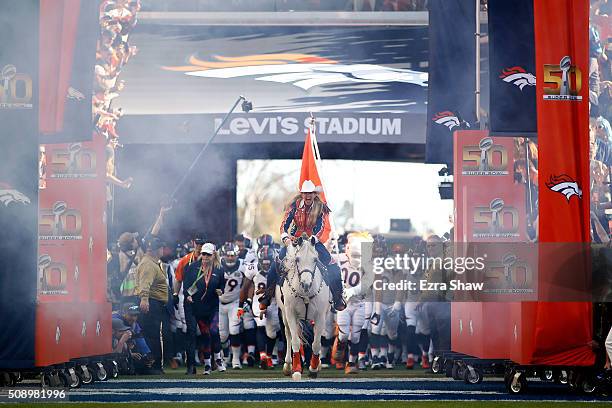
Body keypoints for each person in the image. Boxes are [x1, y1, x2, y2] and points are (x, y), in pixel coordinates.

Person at [259, 179, 346, 311]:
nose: (308, 196)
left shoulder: (320, 207)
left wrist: (313, 239)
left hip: (313, 242)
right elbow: (284, 225)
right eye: (305, 193)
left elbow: (321, 227)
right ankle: (267, 296)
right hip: (294, 241)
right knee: (275, 264)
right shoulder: (293, 206)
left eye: (310, 193)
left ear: (314, 194)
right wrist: (286, 239)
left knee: (333, 266)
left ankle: (337, 298)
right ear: (302, 194)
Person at [182, 243, 226, 375]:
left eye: (208, 254)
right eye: (204, 254)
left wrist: (220, 291)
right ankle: (207, 365)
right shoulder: (192, 268)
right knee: (205, 335)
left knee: (214, 331)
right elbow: (186, 286)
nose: (205, 257)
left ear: (214, 255)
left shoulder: (218, 269)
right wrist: (187, 295)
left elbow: (222, 285)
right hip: (198, 307)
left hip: (213, 306)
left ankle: (218, 359)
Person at [240, 246, 280, 369]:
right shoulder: (252, 268)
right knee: (260, 325)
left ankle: (268, 356)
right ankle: (262, 355)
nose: (266, 265)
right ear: (259, 260)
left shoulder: (279, 267)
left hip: (274, 302)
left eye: (269, 262)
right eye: (264, 262)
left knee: (272, 333)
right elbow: (245, 287)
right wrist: (241, 305)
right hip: (258, 302)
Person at [135, 236, 169, 374]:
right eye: (161, 247)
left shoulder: (152, 262)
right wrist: (144, 299)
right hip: (152, 303)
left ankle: (154, 365)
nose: (163, 250)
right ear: (156, 249)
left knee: (153, 334)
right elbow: (145, 284)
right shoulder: (148, 264)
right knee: (151, 334)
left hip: (155, 303)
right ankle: (151, 366)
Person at [217, 242, 249, 369]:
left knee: (235, 330)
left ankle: (236, 359)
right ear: (223, 255)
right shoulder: (217, 265)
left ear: (237, 255)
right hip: (220, 303)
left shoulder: (243, 265)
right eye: (228, 255)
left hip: (236, 303)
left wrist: (245, 301)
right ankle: (226, 356)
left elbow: (249, 281)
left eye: (233, 255)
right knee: (222, 335)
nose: (230, 258)